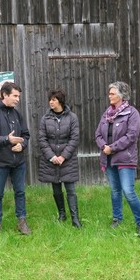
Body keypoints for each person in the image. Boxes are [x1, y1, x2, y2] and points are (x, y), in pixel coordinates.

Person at [95, 81, 140, 236]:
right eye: (109, 93)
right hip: (108, 158)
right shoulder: (107, 114)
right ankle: (117, 219)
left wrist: (113, 147)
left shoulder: (132, 113)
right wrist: (104, 146)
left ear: (121, 95)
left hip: (125, 158)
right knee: (115, 191)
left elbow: (131, 136)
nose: (109, 96)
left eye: (112, 93)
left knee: (128, 191)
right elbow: (97, 134)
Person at [0, 82, 31, 238]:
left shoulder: (17, 114)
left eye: (18, 96)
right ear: (4, 94)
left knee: (20, 192)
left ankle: (22, 221)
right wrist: (7, 140)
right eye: (15, 96)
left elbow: (26, 135)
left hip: (18, 162)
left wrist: (22, 145)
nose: (18, 99)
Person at [38, 89, 81, 228]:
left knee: (71, 190)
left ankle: (75, 219)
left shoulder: (72, 118)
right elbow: (42, 139)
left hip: (67, 160)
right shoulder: (45, 119)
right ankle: (62, 214)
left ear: (60, 101)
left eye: (54, 99)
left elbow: (74, 138)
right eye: (50, 99)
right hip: (51, 161)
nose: (51, 102)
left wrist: (63, 156)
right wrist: (52, 157)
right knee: (56, 189)